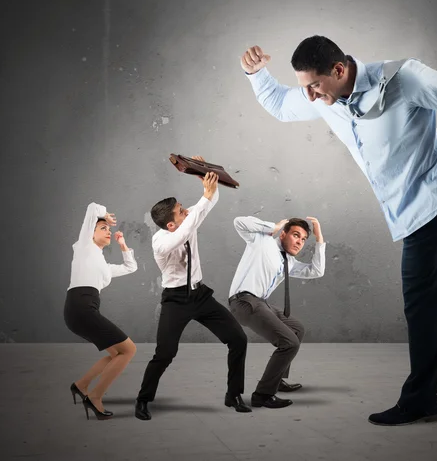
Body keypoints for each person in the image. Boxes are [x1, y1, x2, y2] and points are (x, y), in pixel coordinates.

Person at [240, 36, 437, 426]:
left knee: (422, 300)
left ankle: (421, 399)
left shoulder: (405, 78)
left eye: (315, 85)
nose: (311, 97)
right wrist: (255, 72)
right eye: (306, 88)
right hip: (411, 203)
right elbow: (282, 105)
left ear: (339, 70)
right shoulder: (324, 97)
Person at [134, 158, 251, 420]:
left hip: (199, 294)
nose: (186, 211)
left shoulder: (186, 222)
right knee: (165, 353)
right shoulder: (161, 242)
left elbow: (205, 207)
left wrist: (205, 179)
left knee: (238, 339)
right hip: (175, 300)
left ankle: (233, 394)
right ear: (171, 224)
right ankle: (142, 400)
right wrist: (204, 199)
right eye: (181, 211)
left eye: (183, 208)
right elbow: (184, 232)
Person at [228, 216, 325, 409]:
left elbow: (316, 271)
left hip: (260, 303)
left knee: (297, 329)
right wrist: (274, 226)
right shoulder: (262, 242)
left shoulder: (289, 262)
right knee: (289, 343)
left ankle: (276, 380)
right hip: (244, 301)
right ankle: (262, 395)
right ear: (283, 234)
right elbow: (238, 221)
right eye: (296, 235)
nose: (299, 242)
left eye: (304, 239)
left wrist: (319, 237)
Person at [64, 202, 138, 420]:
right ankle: (95, 397)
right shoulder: (84, 246)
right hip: (81, 307)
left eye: (109, 229)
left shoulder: (103, 265)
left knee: (117, 353)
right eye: (103, 228)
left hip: (82, 310)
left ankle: (81, 385)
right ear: (91, 232)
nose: (108, 231)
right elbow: (91, 207)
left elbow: (130, 267)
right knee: (129, 350)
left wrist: (123, 246)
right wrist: (105, 214)